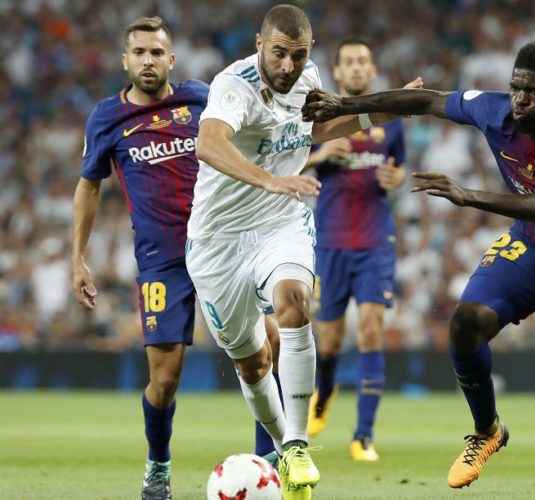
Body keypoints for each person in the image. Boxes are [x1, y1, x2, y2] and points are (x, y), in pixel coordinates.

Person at [303, 41, 535, 500]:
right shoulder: (494, 109)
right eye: (516, 88)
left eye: (533, 92)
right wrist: (345, 105)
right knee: (465, 322)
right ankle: (488, 430)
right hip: (533, 249)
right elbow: (426, 101)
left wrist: (467, 195)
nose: (520, 100)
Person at [184, 5, 418, 499]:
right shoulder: (234, 86)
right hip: (217, 241)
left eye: (299, 54)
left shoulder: (308, 77)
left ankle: (296, 444)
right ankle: (281, 447)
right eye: (279, 54)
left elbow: (313, 130)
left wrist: (383, 110)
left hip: (280, 222)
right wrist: (271, 179)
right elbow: (208, 143)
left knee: (294, 302)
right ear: (258, 44)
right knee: (252, 364)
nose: (288, 66)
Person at [72, 17, 208, 500]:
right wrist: (78, 258)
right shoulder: (107, 118)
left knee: (260, 354)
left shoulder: (200, 99)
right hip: (161, 262)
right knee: (164, 379)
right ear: (125, 60)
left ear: (171, 59)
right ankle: (158, 465)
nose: (148, 61)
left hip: (220, 250)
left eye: (156, 52)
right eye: (139, 52)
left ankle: (272, 462)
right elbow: (89, 187)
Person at [303, 36, 407, 462]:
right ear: (337, 71)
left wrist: (399, 179)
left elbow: (399, 167)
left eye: (364, 60)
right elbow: (285, 163)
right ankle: (325, 390)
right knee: (328, 342)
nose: (358, 67)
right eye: (349, 61)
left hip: (374, 241)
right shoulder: (319, 118)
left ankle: (363, 435)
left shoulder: (390, 119)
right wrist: (321, 153)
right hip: (330, 241)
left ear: (373, 69)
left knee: (370, 330)